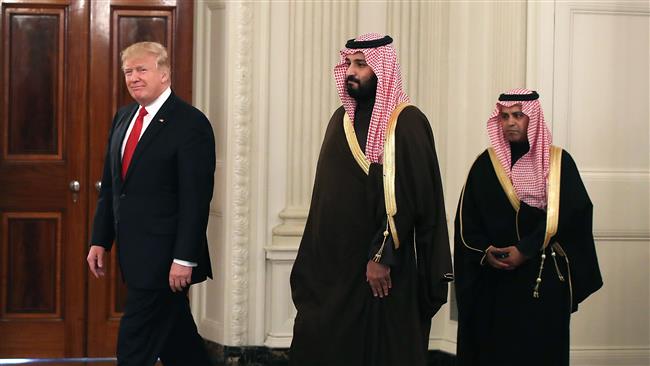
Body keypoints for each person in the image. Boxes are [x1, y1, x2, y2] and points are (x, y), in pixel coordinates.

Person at [289, 33, 453, 366]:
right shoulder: (341, 119)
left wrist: (381, 256)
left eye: (361, 65)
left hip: (381, 270)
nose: (351, 71)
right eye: (348, 63)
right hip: (335, 270)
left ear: (382, 69)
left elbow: (409, 199)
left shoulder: (406, 123)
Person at [86, 41, 215, 365]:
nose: (133, 77)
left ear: (165, 74)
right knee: (179, 342)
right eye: (128, 71)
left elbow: (196, 199)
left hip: (167, 256)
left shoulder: (190, 123)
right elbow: (113, 188)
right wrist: (100, 241)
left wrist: (185, 258)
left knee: (135, 341)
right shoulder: (123, 118)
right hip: (134, 253)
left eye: (142, 69)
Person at [453, 88, 603, 366]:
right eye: (505, 116)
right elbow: (466, 220)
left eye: (519, 115)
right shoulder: (484, 165)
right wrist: (485, 252)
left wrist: (526, 249)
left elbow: (573, 216)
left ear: (532, 119)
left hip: (542, 281)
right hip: (495, 283)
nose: (510, 122)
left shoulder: (558, 163)